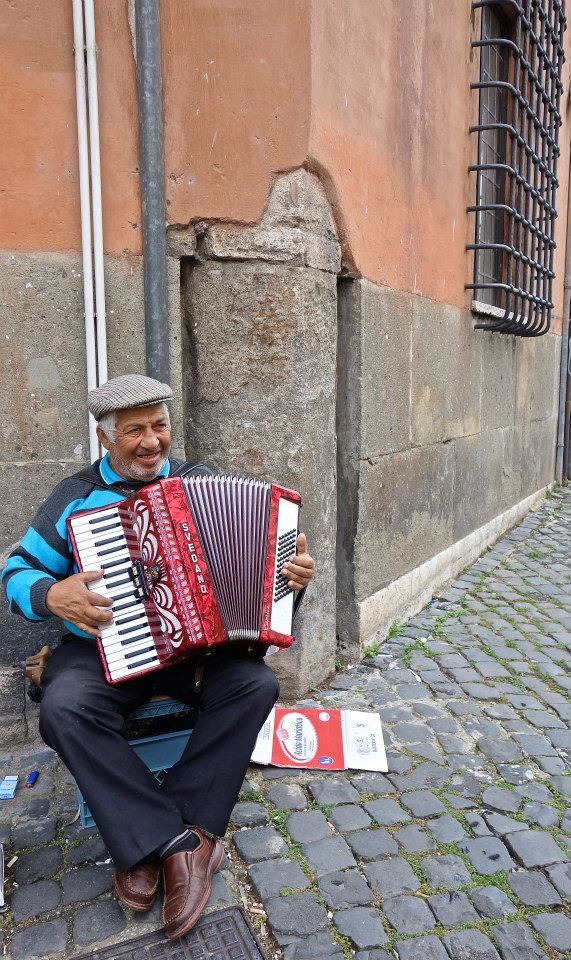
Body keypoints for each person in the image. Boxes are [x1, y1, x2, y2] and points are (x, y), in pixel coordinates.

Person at [2, 374, 315, 940]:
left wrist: (291, 579)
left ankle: (168, 834)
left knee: (255, 685)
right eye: (134, 431)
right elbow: (15, 572)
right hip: (103, 650)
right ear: (105, 438)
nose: (151, 441)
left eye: (159, 426)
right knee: (63, 708)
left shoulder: (200, 483)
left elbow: (263, 578)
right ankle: (174, 841)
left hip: (193, 653)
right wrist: (50, 594)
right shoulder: (73, 497)